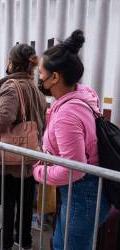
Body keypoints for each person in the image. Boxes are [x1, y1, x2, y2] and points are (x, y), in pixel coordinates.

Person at [33, 30, 111, 250]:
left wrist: (38, 171)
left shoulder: (68, 113)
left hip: (82, 191)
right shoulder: (83, 93)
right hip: (86, 190)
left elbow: (73, 169)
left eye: (41, 72)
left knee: (67, 245)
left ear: (55, 77)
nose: (39, 77)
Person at [0, 44, 47, 250]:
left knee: (5, 203)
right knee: (26, 201)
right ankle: (24, 240)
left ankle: (4, 244)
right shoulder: (35, 87)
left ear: (11, 63)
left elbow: (0, 119)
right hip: (29, 156)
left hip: (8, 159)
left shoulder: (12, 87)